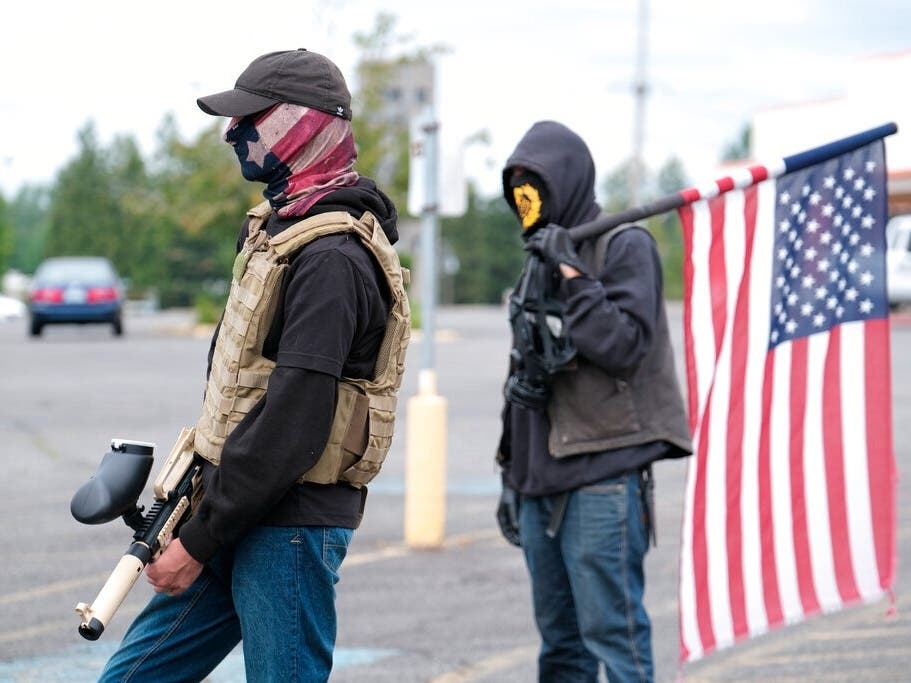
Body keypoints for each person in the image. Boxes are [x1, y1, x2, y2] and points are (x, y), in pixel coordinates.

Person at [99, 49, 410, 683]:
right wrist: (203, 521)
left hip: (287, 528)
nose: (232, 134)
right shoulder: (279, 231)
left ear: (303, 124)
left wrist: (197, 541)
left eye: (252, 119)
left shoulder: (332, 258)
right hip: (235, 507)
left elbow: (293, 423)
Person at [494, 120, 692, 683]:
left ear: (568, 180)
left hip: (602, 475)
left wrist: (574, 273)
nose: (525, 197)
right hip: (538, 479)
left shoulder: (622, 245)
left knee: (614, 639)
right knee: (560, 648)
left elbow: (625, 347)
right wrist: (511, 474)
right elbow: (523, 376)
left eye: (535, 183)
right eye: (517, 187)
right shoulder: (539, 253)